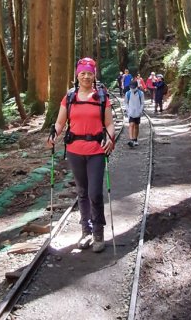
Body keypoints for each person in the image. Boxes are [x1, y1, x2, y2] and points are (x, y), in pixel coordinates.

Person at [47, 57, 115, 253]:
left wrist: (110, 138)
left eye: (89, 73)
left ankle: (98, 233)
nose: (86, 76)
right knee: (82, 192)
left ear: (94, 76)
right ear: (77, 75)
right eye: (82, 73)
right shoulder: (69, 97)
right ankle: (86, 231)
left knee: (94, 192)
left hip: (96, 151)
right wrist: (54, 133)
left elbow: (109, 123)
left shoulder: (101, 97)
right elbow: (60, 122)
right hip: (75, 151)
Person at [125, 79, 144, 147]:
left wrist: (140, 110)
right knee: (131, 124)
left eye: (133, 87)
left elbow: (142, 103)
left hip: (138, 112)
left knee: (136, 126)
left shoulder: (140, 93)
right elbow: (126, 102)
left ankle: (135, 139)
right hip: (131, 112)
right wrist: (128, 110)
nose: (132, 88)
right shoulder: (128, 93)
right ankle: (131, 140)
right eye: (131, 87)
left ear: (136, 86)